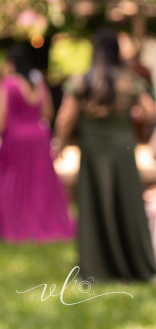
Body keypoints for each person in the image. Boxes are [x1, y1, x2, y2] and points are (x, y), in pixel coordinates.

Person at [54, 28, 156, 282]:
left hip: (94, 149)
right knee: (127, 200)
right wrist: (133, 115)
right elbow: (150, 111)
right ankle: (133, 263)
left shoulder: (83, 80)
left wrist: (59, 142)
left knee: (95, 202)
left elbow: (66, 117)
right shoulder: (130, 79)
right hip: (122, 148)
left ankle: (96, 267)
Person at [0, 44, 75, 243]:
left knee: (14, 184)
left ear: (10, 63)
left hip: (16, 139)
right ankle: (43, 222)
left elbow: (0, 119)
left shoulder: (8, 84)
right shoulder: (38, 84)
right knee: (39, 184)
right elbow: (48, 113)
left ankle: (18, 225)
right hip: (39, 137)